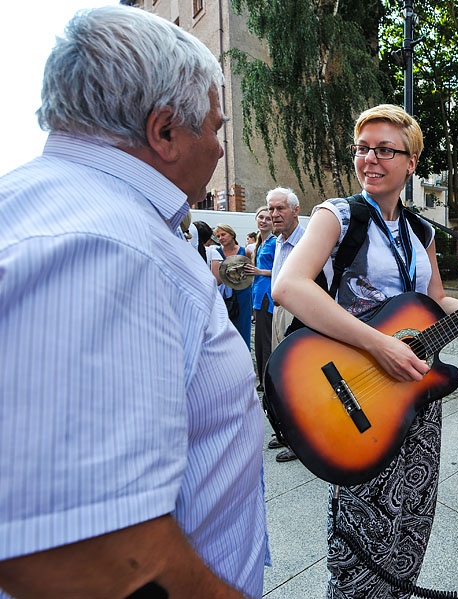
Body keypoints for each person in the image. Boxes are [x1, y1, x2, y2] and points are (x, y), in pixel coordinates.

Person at [0, 6, 267, 598]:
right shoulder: (105, 244)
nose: (221, 149)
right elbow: (93, 553)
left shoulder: (65, 208)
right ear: (165, 130)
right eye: (215, 128)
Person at [271, 104, 458, 598]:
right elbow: (289, 286)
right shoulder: (336, 215)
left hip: (415, 398)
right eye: (364, 149)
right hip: (358, 391)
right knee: (360, 535)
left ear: (411, 163)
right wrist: (379, 344)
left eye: (385, 150)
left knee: (411, 521)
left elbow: (431, 303)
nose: (371, 159)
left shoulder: (421, 230)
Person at [265, 186, 305, 462]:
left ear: (295, 210)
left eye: (280, 208)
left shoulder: (306, 241)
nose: (274, 214)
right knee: (281, 376)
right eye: (271, 209)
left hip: (299, 314)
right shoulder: (279, 240)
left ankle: (302, 441)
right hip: (278, 312)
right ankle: (287, 433)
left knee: (297, 378)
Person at [244, 206, 275, 394]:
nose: (263, 221)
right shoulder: (259, 244)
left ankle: (267, 379)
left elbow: (282, 268)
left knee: (265, 339)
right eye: (261, 217)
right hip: (257, 293)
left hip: (268, 294)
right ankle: (262, 379)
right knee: (259, 340)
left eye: (267, 218)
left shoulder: (274, 242)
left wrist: (259, 271)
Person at [210, 223, 253, 349]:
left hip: (242, 292)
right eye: (218, 236)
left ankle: (244, 352)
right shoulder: (216, 252)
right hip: (224, 295)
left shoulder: (245, 251)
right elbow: (216, 278)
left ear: (232, 234)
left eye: (223, 234)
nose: (221, 238)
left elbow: (252, 271)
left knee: (243, 326)